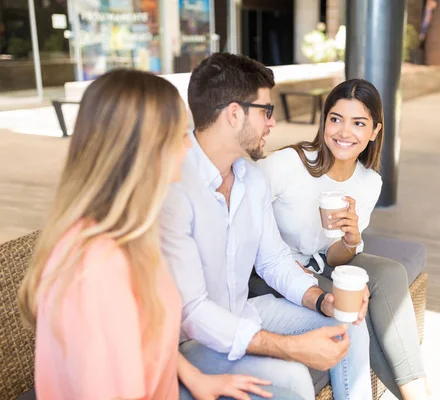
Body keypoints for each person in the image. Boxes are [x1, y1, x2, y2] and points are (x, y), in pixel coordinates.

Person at [17, 69, 295, 400]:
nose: (189, 147)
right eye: (180, 135)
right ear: (144, 151)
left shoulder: (130, 235)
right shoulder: (97, 269)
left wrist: (195, 378)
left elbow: (148, 337)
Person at [159, 53, 372, 400]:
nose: (272, 123)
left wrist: (322, 301)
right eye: (265, 111)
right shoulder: (174, 185)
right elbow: (192, 311)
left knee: (349, 327)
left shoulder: (251, 178)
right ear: (233, 114)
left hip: (244, 314)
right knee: (290, 378)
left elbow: (273, 261)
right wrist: (290, 347)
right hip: (190, 341)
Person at [256, 79, 431, 399]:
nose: (344, 132)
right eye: (335, 119)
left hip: (324, 264)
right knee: (354, 312)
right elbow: (244, 222)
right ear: (324, 121)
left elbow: (335, 258)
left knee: (392, 272)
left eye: (358, 123)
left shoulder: (368, 182)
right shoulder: (287, 165)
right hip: (277, 273)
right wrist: (290, 264)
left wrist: (351, 239)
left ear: (375, 131)